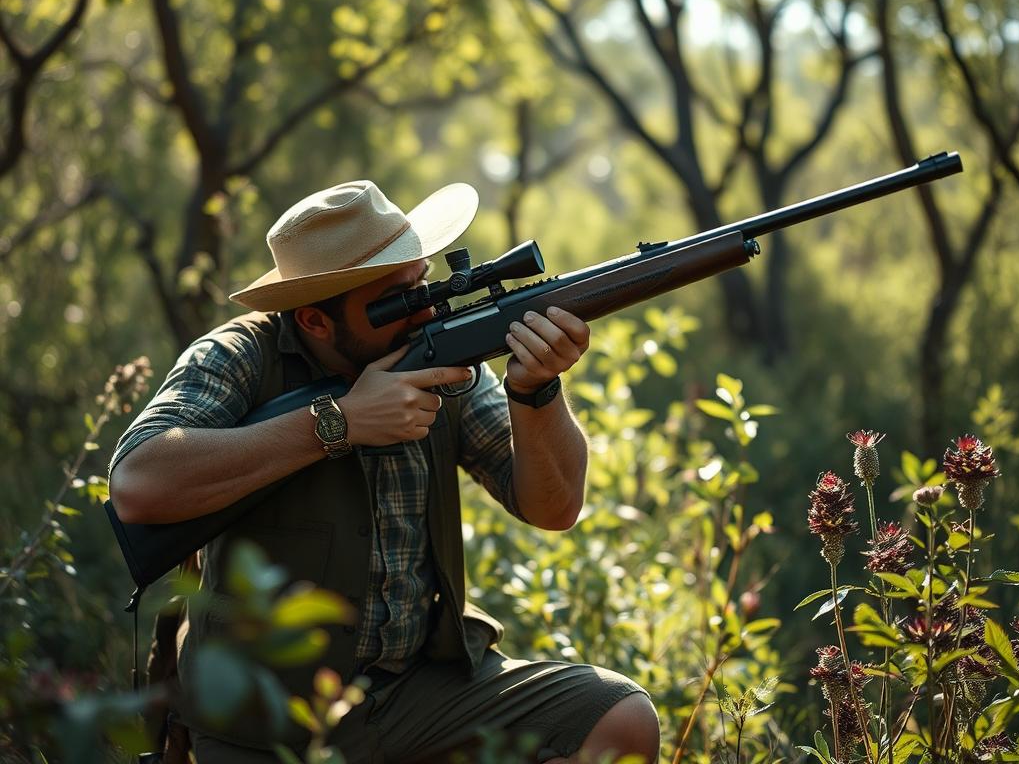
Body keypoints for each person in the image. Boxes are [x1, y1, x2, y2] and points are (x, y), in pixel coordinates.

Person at [108, 179, 660, 763]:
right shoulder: (238, 358)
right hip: (266, 722)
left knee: (617, 717)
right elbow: (138, 485)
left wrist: (536, 390)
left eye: (421, 283)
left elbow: (555, 508)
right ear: (316, 321)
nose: (425, 306)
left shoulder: (441, 356)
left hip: (422, 692)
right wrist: (336, 422)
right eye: (396, 299)